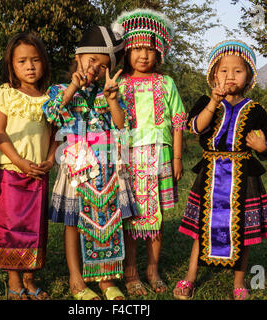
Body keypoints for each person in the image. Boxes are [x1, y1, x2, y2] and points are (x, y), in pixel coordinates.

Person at [174, 40, 267, 300]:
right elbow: (196, 127)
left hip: (245, 177)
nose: (230, 76)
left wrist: (261, 147)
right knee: (203, 227)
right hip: (210, 175)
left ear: (249, 77)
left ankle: (239, 281)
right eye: (223, 71)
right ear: (213, 75)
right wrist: (213, 102)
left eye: (238, 71)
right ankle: (190, 276)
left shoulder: (256, 110)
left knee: (242, 230)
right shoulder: (206, 102)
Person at [42, 25, 137, 300]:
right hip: (76, 168)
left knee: (109, 221)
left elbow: (123, 126)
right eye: (92, 60)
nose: (95, 69)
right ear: (79, 55)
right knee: (74, 222)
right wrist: (73, 85)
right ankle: (76, 279)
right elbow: (53, 113)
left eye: (103, 66)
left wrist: (112, 100)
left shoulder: (107, 94)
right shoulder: (60, 89)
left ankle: (107, 281)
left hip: (107, 167)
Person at [112, 9, 187, 296]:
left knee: (155, 220)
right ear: (127, 50)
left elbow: (178, 123)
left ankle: (152, 270)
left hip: (160, 158)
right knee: (130, 217)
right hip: (129, 160)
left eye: (150, 49)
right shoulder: (119, 85)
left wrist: (177, 158)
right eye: (138, 48)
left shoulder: (167, 84)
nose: (144, 55)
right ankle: (130, 271)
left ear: (159, 53)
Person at [0, 33, 57, 300]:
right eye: (22, 61)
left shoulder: (50, 98)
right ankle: (14, 282)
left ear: (44, 63)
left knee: (35, 229)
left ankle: (29, 280)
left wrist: (50, 160)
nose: (30, 66)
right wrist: (19, 161)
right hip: (12, 172)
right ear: (12, 66)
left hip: (39, 173)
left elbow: (55, 134)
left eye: (36, 60)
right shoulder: (6, 93)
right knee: (11, 228)